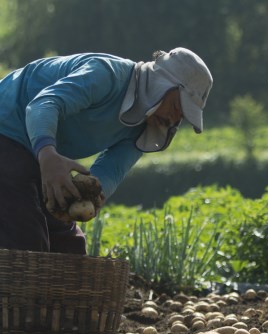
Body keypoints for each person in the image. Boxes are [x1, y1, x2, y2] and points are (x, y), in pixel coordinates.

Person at [0, 48, 213, 254]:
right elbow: (43, 105)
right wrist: (47, 153)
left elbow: (110, 171)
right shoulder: (106, 74)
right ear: (162, 86)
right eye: (177, 107)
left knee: (70, 247)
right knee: (26, 239)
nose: (174, 119)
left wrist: (90, 198)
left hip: (40, 152)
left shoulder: (146, 125)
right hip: (8, 126)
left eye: (182, 116)